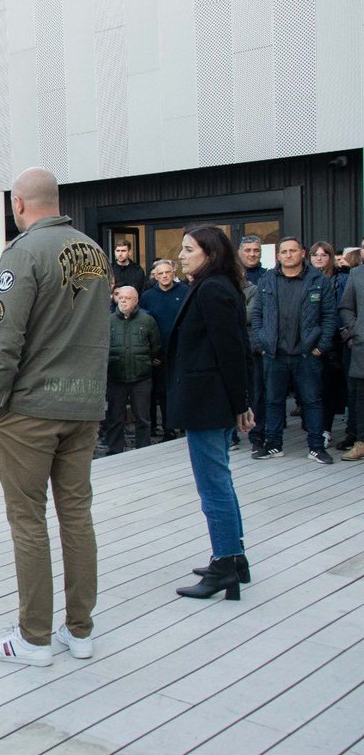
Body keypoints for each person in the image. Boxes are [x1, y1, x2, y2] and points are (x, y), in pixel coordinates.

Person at [0, 167, 109, 667]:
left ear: (18, 203)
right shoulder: (95, 252)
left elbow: (4, 339)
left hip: (30, 408)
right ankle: (80, 630)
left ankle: (33, 636)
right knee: (76, 514)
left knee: (27, 520)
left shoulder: (23, 252)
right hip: (83, 403)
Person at [170, 226, 255, 600]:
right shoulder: (211, 286)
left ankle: (225, 564)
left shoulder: (214, 289)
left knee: (213, 486)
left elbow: (233, 351)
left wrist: (241, 404)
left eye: (189, 249)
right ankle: (234, 557)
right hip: (211, 400)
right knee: (220, 482)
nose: (181, 255)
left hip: (209, 402)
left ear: (210, 253)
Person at [250, 237, 337, 463]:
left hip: (307, 353)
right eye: (284, 251)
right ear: (278, 256)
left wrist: (321, 346)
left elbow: (329, 317)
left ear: (302, 253)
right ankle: (273, 444)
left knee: (312, 400)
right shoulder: (267, 280)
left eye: (293, 250)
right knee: (273, 401)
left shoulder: (318, 280)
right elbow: (257, 314)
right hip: (274, 353)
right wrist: (260, 344)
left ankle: (317, 447)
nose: (288, 255)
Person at [105, 286, 161, 454]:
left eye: (127, 298)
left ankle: (142, 451)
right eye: (120, 297)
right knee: (115, 418)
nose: (123, 300)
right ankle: (115, 451)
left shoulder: (147, 320)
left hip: (141, 378)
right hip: (116, 378)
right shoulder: (109, 321)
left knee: (143, 418)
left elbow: (156, 346)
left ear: (136, 301)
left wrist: (144, 362)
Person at [139, 259, 188, 440]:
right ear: (155, 276)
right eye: (160, 273)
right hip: (160, 353)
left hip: (182, 351)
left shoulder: (185, 292)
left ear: (174, 273)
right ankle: (168, 429)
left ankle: (184, 424)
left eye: (168, 272)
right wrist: (151, 353)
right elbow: (143, 326)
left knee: (183, 388)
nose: (165, 276)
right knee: (162, 392)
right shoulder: (148, 297)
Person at [310, 241, 350, 450]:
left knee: (335, 388)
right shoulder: (307, 279)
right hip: (312, 341)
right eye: (315, 254)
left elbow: (343, 308)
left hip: (338, 341)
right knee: (317, 389)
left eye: (324, 255)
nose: (319, 258)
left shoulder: (342, 279)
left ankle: (333, 430)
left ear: (331, 257)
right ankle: (320, 429)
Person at [340, 245, 364, 461]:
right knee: (360, 398)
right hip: (362, 347)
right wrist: (356, 328)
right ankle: (361, 443)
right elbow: (345, 307)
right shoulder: (356, 275)